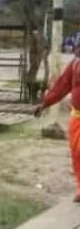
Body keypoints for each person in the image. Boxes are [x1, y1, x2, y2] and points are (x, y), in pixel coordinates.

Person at [35, 47, 80, 201]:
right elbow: (61, 87)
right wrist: (44, 104)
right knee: (76, 153)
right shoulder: (74, 65)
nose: (76, 52)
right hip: (77, 118)